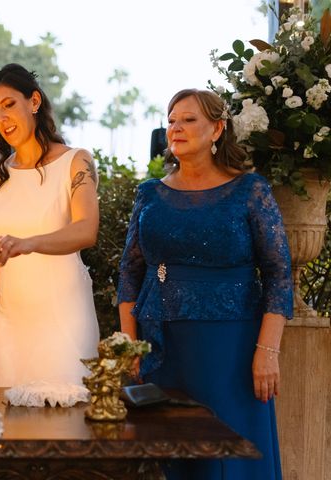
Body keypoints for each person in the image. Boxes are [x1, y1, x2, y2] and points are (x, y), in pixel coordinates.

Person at [118, 88, 292, 480]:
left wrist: (268, 351)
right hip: (161, 345)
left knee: (229, 453)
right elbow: (129, 274)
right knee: (171, 455)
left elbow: (279, 272)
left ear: (217, 129)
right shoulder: (149, 194)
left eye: (188, 119)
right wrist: (129, 344)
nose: (176, 128)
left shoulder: (250, 191)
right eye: (172, 120)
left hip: (230, 348)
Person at [0, 63, 100, 387]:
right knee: (12, 426)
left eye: (9, 105)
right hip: (11, 323)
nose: (1, 118)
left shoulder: (76, 161)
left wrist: (27, 243)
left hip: (64, 316)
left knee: (67, 422)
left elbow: (86, 230)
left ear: (34, 102)